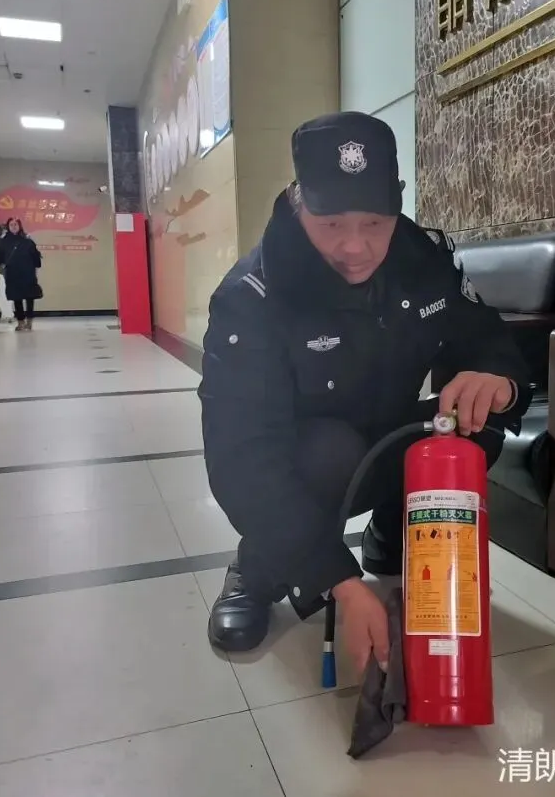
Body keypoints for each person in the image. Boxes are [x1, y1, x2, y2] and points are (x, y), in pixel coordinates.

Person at [198, 111, 532, 676]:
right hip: (307, 462)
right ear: (299, 202)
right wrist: (340, 581)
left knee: (470, 429)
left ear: (397, 204)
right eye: (331, 224)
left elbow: (485, 336)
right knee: (329, 450)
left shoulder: (422, 258)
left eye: (375, 222)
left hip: (385, 431)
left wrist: (496, 377)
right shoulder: (251, 298)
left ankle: (390, 534)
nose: (355, 247)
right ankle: (257, 570)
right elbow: (242, 461)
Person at [0, 217, 43, 331]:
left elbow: (35, 255)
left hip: (28, 272)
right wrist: (2, 265)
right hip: (13, 273)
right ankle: (21, 322)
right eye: (11, 224)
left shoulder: (27, 240)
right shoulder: (3, 241)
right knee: (17, 298)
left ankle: (29, 321)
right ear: (8, 227)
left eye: (16, 224)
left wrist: (36, 266)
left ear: (20, 226)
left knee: (30, 297)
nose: (14, 227)